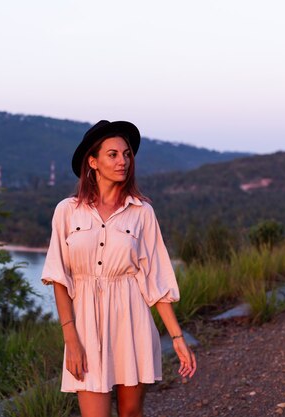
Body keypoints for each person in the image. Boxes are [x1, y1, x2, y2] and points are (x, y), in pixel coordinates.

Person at [41, 120, 197, 417]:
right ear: (93, 162)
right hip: (85, 327)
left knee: (130, 413)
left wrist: (178, 338)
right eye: (112, 154)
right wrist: (70, 338)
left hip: (132, 321)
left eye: (126, 154)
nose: (122, 161)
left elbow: (156, 281)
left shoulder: (142, 213)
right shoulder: (67, 211)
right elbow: (59, 278)